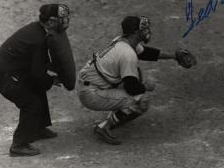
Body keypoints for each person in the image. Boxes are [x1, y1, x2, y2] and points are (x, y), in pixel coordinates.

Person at [77, 15, 196, 145]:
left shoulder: (123, 41)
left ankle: (115, 116)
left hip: (91, 84)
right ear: (134, 32)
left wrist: (173, 56)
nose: (146, 31)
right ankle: (103, 127)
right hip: (92, 93)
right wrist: (147, 86)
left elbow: (145, 53)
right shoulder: (127, 54)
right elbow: (131, 88)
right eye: (142, 28)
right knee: (141, 100)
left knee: (136, 74)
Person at [0, 4, 72, 156]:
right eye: (60, 20)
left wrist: (50, 75)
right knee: (32, 104)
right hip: (4, 75)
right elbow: (37, 74)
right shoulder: (39, 39)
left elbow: (38, 64)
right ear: (50, 22)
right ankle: (19, 145)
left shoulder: (38, 31)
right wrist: (51, 80)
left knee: (38, 89)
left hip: (12, 69)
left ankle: (37, 128)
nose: (64, 22)